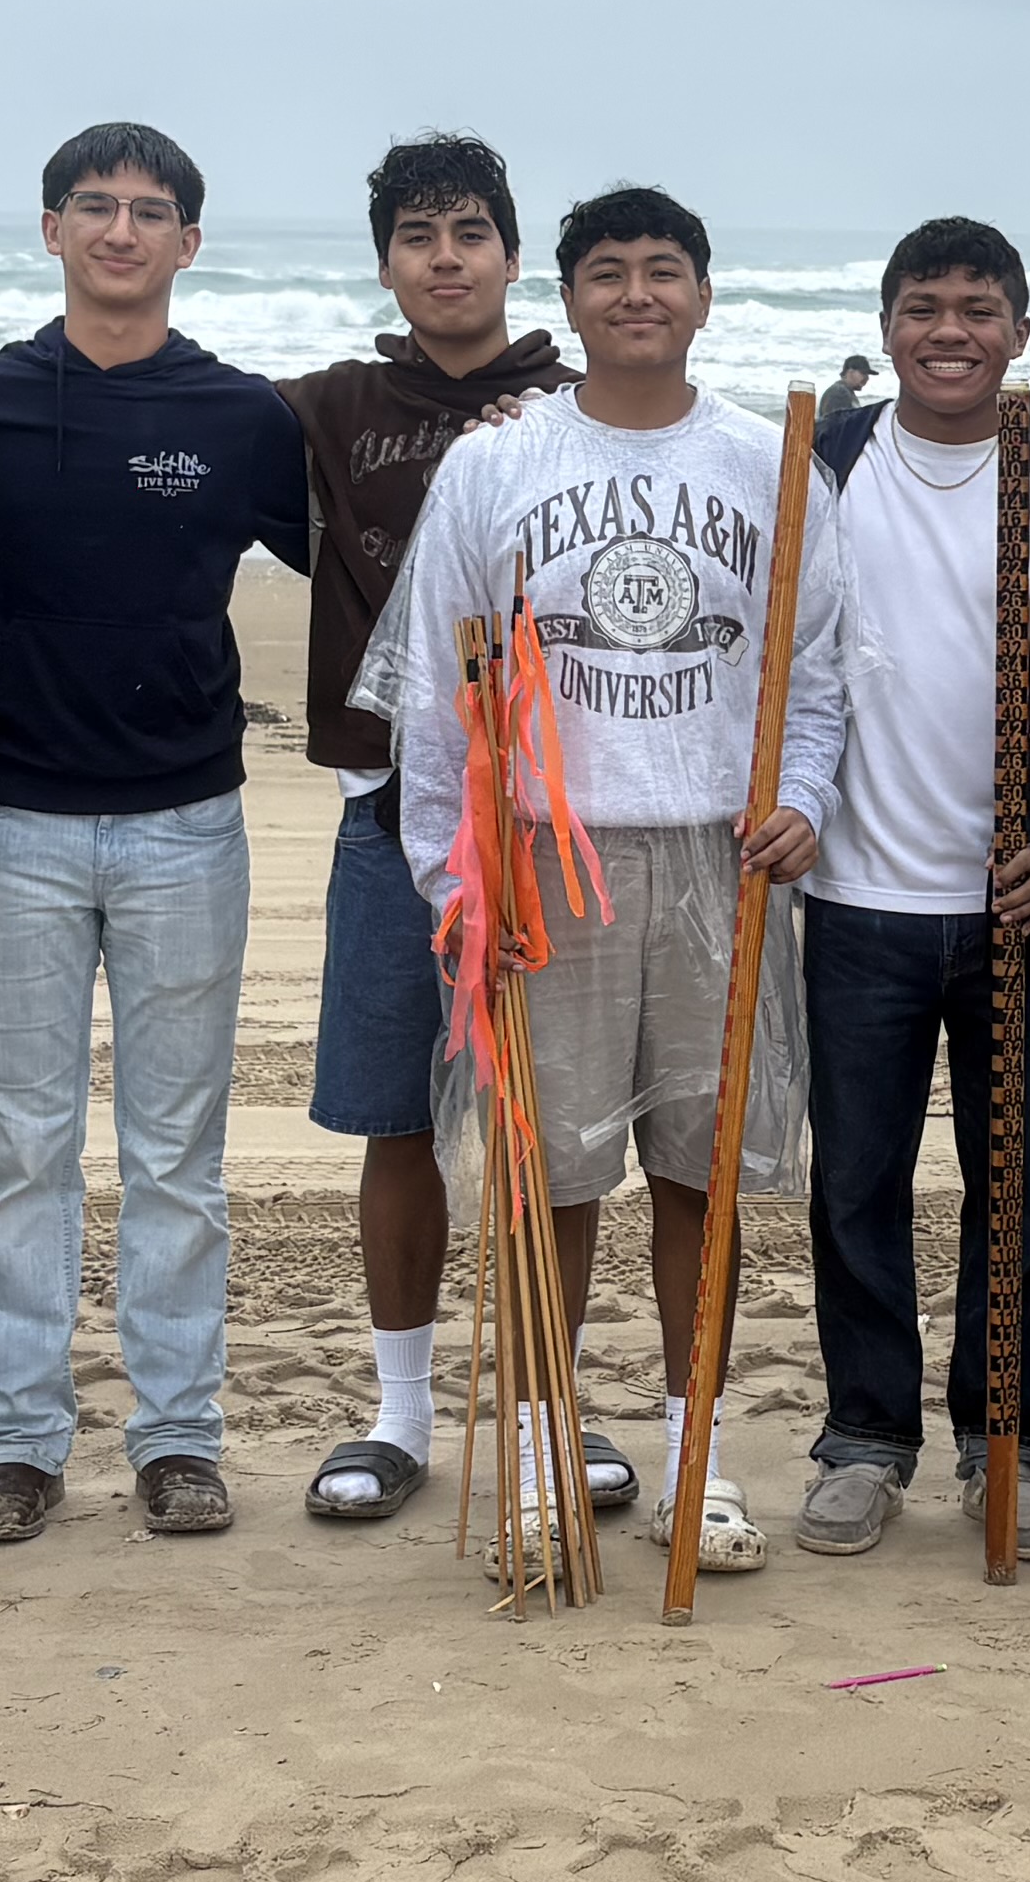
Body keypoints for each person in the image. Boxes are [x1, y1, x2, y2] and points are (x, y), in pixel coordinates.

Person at [360, 184, 845, 1577]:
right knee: (544, 1185)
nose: (638, 293)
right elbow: (445, 703)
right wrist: (456, 878)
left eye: (666, 270)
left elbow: (812, 676)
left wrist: (801, 800)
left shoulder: (773, 460)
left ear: (704, 295)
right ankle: (539, 1461)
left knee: (706, 1180)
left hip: (718, 857)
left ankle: (700, 1457)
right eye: (609, 273)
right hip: (544, 865)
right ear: (565, 300)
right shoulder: (495, 465)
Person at [0, 122, 315, 1544]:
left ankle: (178, 1441)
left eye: (151, 211)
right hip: (18, 821)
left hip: (188, 824)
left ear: (188, 244)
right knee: (23, 1149)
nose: (120, 229)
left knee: (176, 1157)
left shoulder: (239, 416)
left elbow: (376, 547)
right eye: (94, 206)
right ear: (50, 230)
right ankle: (21, 1444)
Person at [797, 219, 1030, 1558]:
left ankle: (1008, 1442)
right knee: (856, 1183)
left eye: (978, 309)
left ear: (1021, 332)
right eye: (923, 306)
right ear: (886, 326)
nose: (949, 332)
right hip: (858, 901)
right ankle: (867, 1437)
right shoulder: (820, 467)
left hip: (1018, 910)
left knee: (1021, 1191)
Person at [279, 134, 569, 1526]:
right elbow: (133, 416)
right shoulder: (331, 408)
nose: (444, 257)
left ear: (514, 257)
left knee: (545, 1126)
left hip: (565, 826)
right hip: (390, 809)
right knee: (398, 1119)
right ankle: (401, 1415)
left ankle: (543, 1411)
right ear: (385, 261)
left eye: (469, 232)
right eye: (415, 235)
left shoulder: (584, 405)